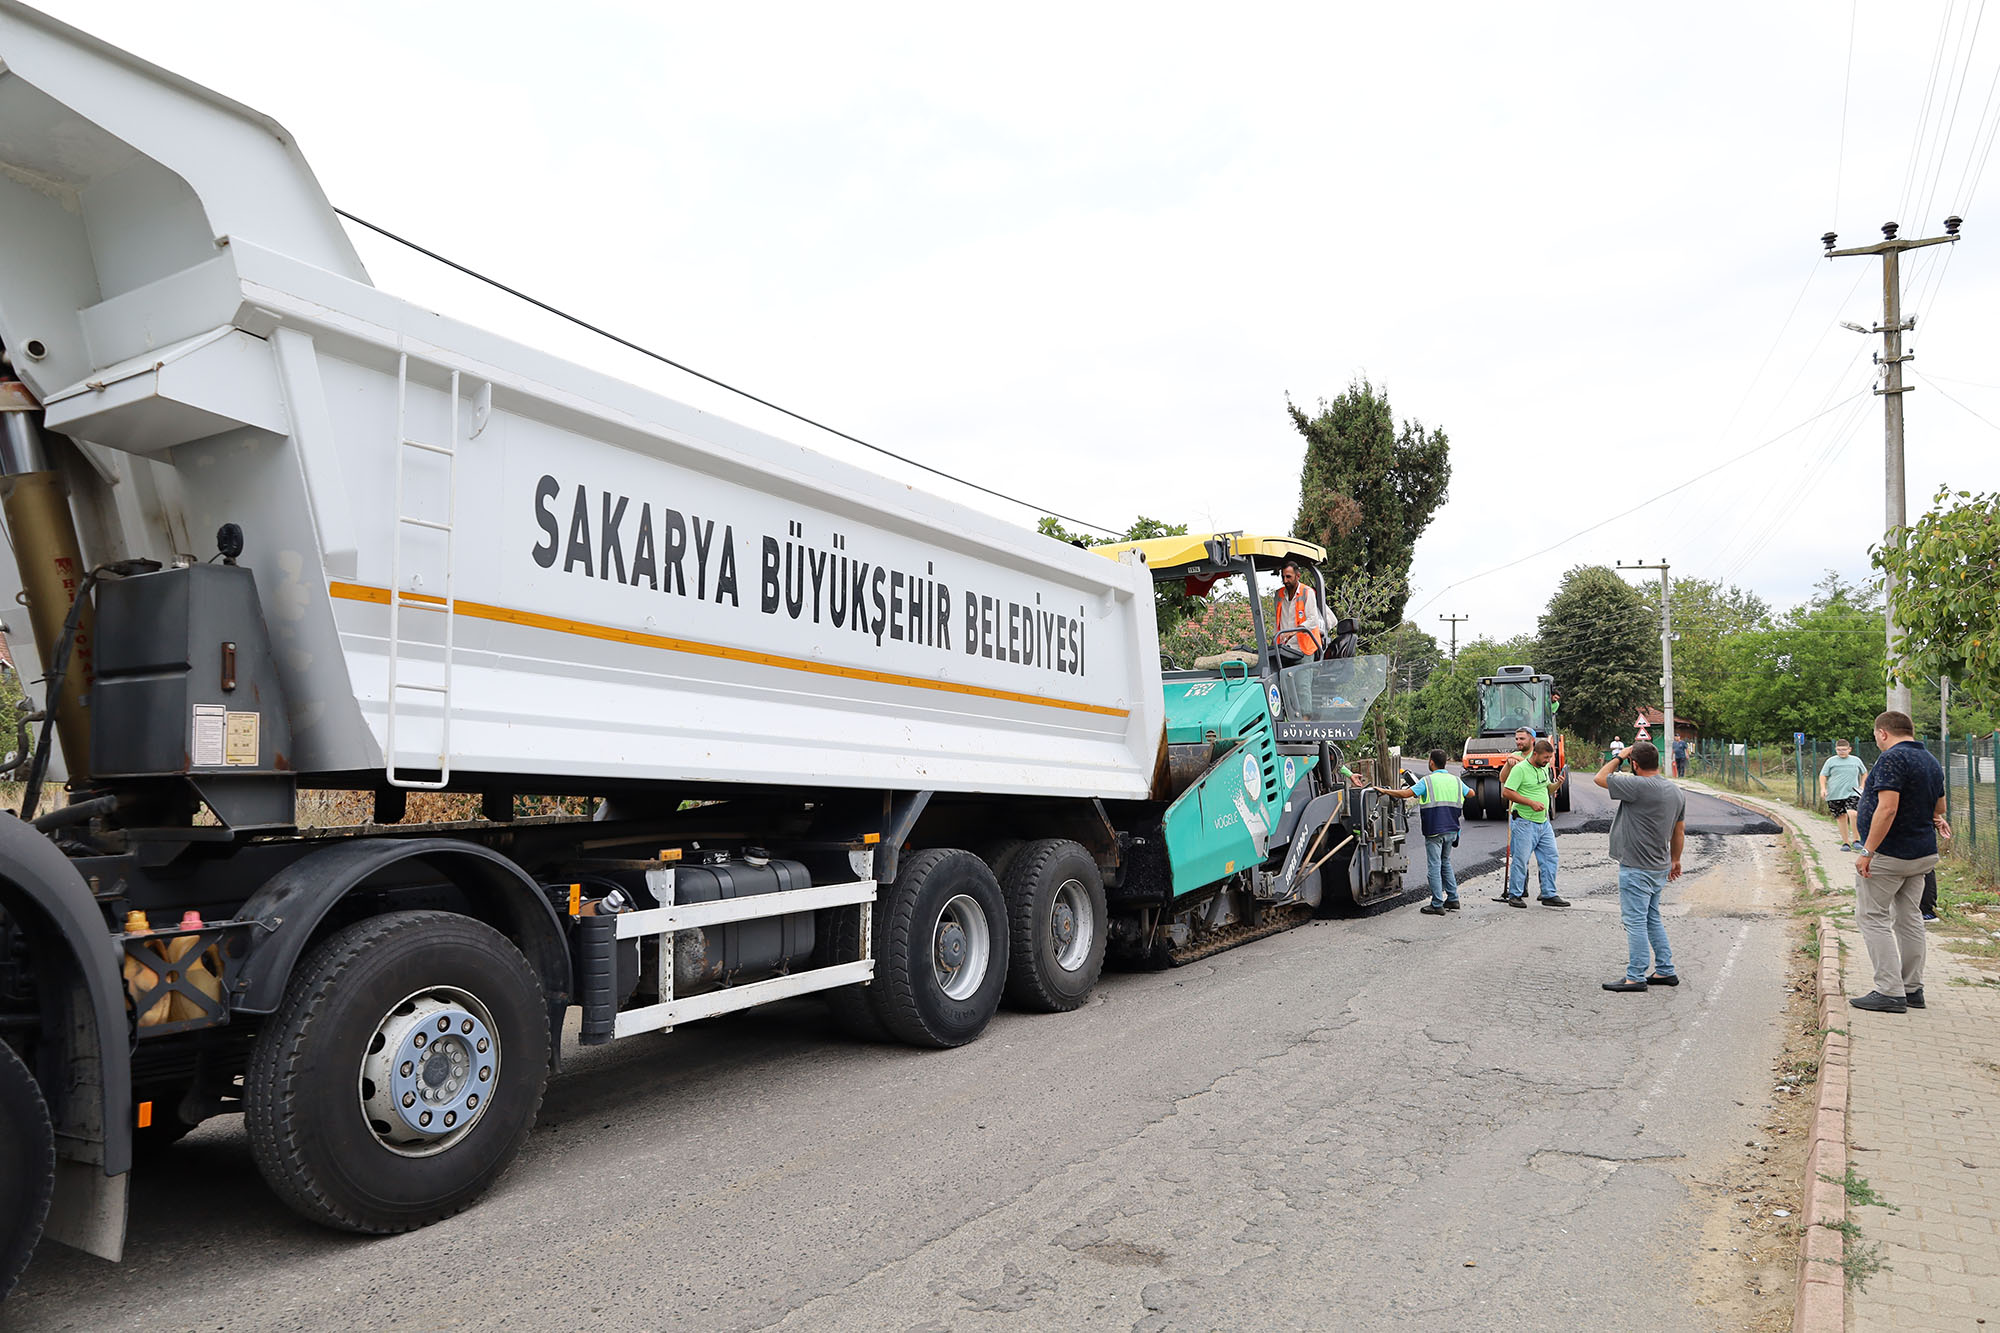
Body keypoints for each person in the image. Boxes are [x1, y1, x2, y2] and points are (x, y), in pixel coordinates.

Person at [1849, 710, 1950, 1014]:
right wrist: (1930, 816)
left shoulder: (1892, 758)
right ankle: (1912, 988)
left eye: (1876, 735)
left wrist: (1867, 851)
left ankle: (1889, 991)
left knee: (1872, 916)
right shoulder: (1930, 760)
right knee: (1909, 918)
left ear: (1883, 733)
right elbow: (1940, 805)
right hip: (1921, 854)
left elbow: (1888, 808)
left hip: (1891, 855)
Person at [1594, 741, 1686, 992]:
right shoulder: (1676, 791)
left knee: (1635, 921)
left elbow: (1600, 777)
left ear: (1635, 764)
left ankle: (1636, 976)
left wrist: (1619, 757)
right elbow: (1679, 831)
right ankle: (1666, 971)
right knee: (1652, 918)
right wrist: (1675, 859)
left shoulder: (1636, 785)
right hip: (1659, 865)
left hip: (1636, 867)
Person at [1378, 749, 1466, 916]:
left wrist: (1386, 791)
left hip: (1434, 831)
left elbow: (1405, 794)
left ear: (1432, 762)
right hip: (1452, 830)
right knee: (1445, 862)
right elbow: (1472, 793)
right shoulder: (1456, 780)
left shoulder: (1427, 781)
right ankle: (1453, 899)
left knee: (1434, 865)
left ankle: (1437, 903)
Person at [1498, 738, 1568, 907]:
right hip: (1524, 821)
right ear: (1535, 754)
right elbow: (1506, 792)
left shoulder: (1543, 769)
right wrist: (1530, 803)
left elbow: (1546, 789)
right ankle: (1515, 895)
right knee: (1521, 859)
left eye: (1550, 758)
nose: (1548, 761)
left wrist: (1557, 784)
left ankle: (1548, 894)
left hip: (1543, 822)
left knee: (1551, 857)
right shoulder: (1520, 769)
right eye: (1545, 757)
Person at [1818, 738, 1870, 851]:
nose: (1841, 752)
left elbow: (1864, 773)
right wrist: (1823, 788)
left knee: (1853, 814)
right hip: (1834, 794)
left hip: (1852, 792)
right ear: (1836, 749)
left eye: (1844, 750)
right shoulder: (1831, 761)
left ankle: (1856, 840)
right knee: (1841, 817)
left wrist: (1862, 786)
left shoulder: (1856, 760)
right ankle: (1845, 843)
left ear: (1849, 749)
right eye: (1839, 750)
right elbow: (1823, 775)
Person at [1273, 560, 1324, 658]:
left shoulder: (1307, 592)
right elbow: (1277, 621)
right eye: (1283, 577)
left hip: (1303, 650)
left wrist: (1293, 632)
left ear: (1298, 576)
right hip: (1284, 649)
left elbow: (1313, 620)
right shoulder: (1279, 594)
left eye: (1288, 577)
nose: (1285, 581)